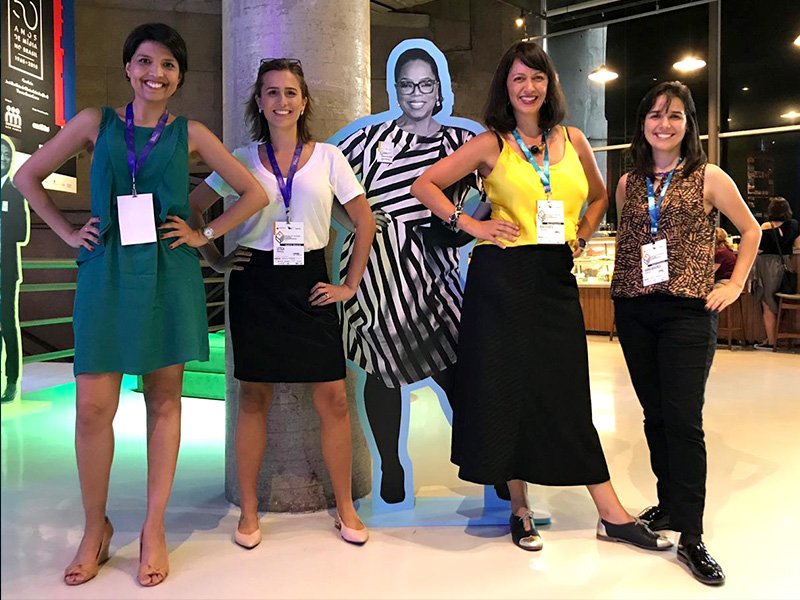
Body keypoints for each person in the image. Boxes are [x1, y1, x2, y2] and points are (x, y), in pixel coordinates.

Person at [13, 23, 267, 586]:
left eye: (169, 65)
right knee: (92, 408)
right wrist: (67, 232)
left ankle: (154, 527)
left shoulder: (190, 132)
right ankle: (94, 528)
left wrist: (204, 234)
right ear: (128, 67)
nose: (156, 73)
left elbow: (254, 192)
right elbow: (28, 175)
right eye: (146, 61)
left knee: (164, 401)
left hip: (168, 273)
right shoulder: (94, 123)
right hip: (105, 272)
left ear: (179, 76)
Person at [412, 40, 670, 553]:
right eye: (518, 79)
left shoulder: (573, 139)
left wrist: (583, 235)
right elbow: (426, 185)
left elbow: (599, 196)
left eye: (536, 77)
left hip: (554, 278)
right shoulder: (491, 144)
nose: (528, 87)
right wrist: (471, 225)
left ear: (549, 84)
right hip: (502, 280)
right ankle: (520, 507)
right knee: (505, 390)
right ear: (505, 89)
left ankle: (610, 514)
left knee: (566, 392)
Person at [188, 58, 375, 547]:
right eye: (271, 92)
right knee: (253, 398)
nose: (281, 101)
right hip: (256, 283)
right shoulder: (241, 158)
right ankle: (249, 512)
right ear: (259, 101)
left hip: (311, 281)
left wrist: (349, 285)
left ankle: (345, 506)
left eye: (290, 92)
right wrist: (215, 258)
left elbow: (365, 221)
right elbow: (193, 208)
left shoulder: (328, 157)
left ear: (304, 101)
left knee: (334, 398)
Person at [610, 81, 761, 585]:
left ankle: (691, 535)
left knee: (682, 419)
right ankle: (669, 504)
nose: (664, 124)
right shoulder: (629, 182)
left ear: (688, 123)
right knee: (654, 415)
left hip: (688, 312)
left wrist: (734, 283)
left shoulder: (708, 176)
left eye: (675, 115)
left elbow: (751, 229)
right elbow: (631, 239)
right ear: (643, 123)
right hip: (635, 309)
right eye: (655, 114)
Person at [334, 46, 478, 503]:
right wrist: (357, 225)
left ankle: (485, 459)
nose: (416, 93)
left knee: (455, 367)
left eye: (425, 84)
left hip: (433, 269)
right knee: (382, 369)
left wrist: (463, 229)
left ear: (439, 90)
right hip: (375, 270)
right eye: (407, 84)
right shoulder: (368, 139)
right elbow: (328, 186)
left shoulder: (461, 142)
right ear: (395, 90)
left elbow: (497, 192)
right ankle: (391, 466)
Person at [1, 135, 29, 403]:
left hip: (6, 272)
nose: (2, 159)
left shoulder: (14, 192)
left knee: (8, 326)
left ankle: (11, 382)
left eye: (7, 156)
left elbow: (21, 233)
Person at [751, 197, 799, 350]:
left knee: (768, 302)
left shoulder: (766, 226)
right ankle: (779, 337)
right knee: (780, 300)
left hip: (767, 266)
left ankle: (771, 340)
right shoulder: (794, 225)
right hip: (786, 264)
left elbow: (758, 248)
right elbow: (798, 246)